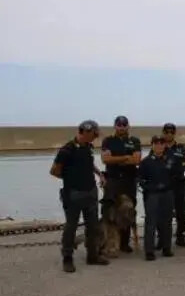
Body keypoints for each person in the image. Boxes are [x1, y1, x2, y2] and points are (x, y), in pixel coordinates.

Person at [52, 120, 109, 273]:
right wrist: (72, 179)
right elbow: (55, 171)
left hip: (90, 192)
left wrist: (100, 175)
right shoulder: (67, 150)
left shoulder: (88, 148)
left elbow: (89, 164)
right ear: (86, 132)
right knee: (71, 227)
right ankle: (67, 258)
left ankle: (93, 256)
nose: (95, 137)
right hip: (74, 194)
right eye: (94, 134)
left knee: (93, 226)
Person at [100, 115, 141, 253]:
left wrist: (115, 159)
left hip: (129, 181)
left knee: (128, 212)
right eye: (119, 125)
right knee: (110, 212)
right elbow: (106, 159)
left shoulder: (134, 141)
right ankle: (109, 243)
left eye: (124, 125)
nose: (122, 127)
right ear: (115, 126)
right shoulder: (108, 141)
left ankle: (124, 243)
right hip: (112, 181)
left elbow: (136, 160)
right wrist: (125, 157)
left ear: (128, 126)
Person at [138, 136, 175, 261]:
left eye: (161, 143)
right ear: (152, 145)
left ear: (165, 145)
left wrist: (169, 185)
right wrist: (150, 187)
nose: (159, 146)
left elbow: (176, 176)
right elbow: (140, 179)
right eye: (156, 143)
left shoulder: (170, 160)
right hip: (152, 195)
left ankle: (167, 248)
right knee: (151, 223)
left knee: (167, 222)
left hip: (167, 194)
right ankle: (149, 251)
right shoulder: (146, 162)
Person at [162, 123, 185, 248]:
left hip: (179, 185)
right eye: (167, 132)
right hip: (163, 185)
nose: (169, 134)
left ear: (174, 133)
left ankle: (180, 237)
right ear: (163, 132)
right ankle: (162, 238)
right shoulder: (159, 146)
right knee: (163, 213)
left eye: (171, 132)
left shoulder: (181, 148)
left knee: (180, 213)